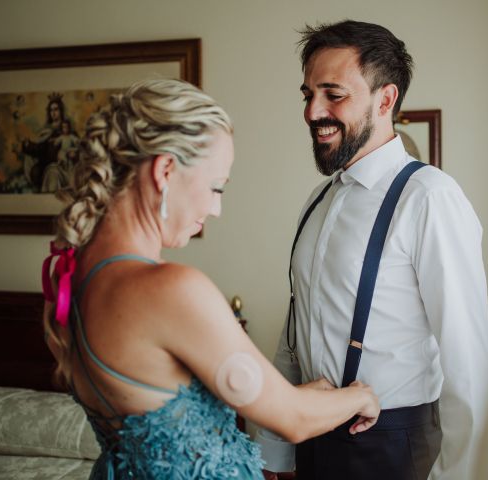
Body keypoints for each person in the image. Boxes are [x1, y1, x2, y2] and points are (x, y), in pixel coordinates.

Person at [41, 78, 380, 479]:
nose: (216, 208)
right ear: (165, 170)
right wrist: (360, 397)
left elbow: (169, 412)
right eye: (215, 186)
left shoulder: (73, 280)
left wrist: (305, 395)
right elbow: (291, 420)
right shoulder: (168, 290)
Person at [256, 21, 488, 480]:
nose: (312, 111)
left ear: (385, 100)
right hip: (311, 438)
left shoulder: (428, 197)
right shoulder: (318, 202)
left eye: (333, 94)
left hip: (394, 447)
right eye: (308, 94)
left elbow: (468, 363)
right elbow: (295, 331)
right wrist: (276, 453)